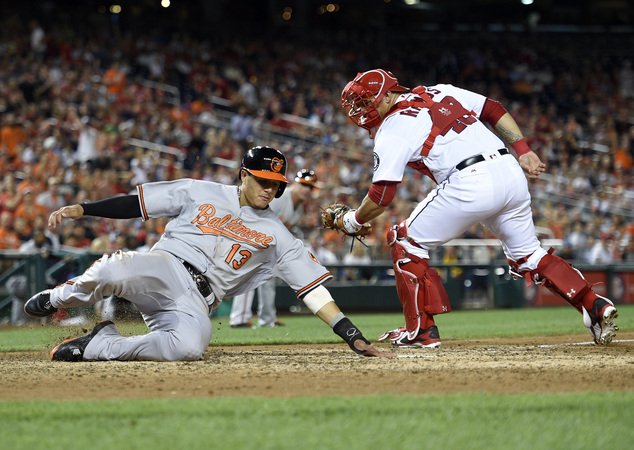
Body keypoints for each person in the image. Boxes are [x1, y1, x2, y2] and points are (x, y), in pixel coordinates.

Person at [24, 146, 394, 361]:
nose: (270, 190)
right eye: (263, 181)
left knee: (189, 348)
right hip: (166, 266)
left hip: (199, 300)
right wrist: (86, 208)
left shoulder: (277, 235)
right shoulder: (199, 190)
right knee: (114, 271)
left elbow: (311, 289)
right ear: (243, 175)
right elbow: (139, 203)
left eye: (277, 186)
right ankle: (58, 296)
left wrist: (351, 334)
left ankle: (100, 345)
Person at [337, 68, 619, 348]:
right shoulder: (441, 90)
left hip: (469, 180)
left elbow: (382, 195)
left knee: (405, 240)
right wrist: (523, 149)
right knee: (529, 255)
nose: (362, 111)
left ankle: (420, 330)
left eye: (366, 101)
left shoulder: (393, 128)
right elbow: (493, 109)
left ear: (388, 94)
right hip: (509, 170)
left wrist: (352, 219)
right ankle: (593, 304)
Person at [230, 168, 319, 328]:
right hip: (249, 236)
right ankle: (239, 319)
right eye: (304, 185)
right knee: (246, 278)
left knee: (268, 280)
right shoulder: (281, 198)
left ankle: (268, 319)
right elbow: (254, 214)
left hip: (266, 244)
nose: (307, 190)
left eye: (311, 187)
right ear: (295, 184)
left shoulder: (298, 209)